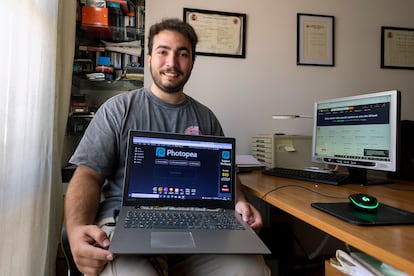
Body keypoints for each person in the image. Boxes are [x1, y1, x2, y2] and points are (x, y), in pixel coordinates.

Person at [65, 18, 270, 276]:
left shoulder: (206, 117)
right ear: (149, 58)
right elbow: (87, 176)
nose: (172, 63)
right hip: (127, 224)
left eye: (182, 54)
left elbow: (226, 176)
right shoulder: (117, 110)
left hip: (201, 228)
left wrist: (240, 201)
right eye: (163, 52)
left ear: (192, 63)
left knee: (250, 270)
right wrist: (75, 231)